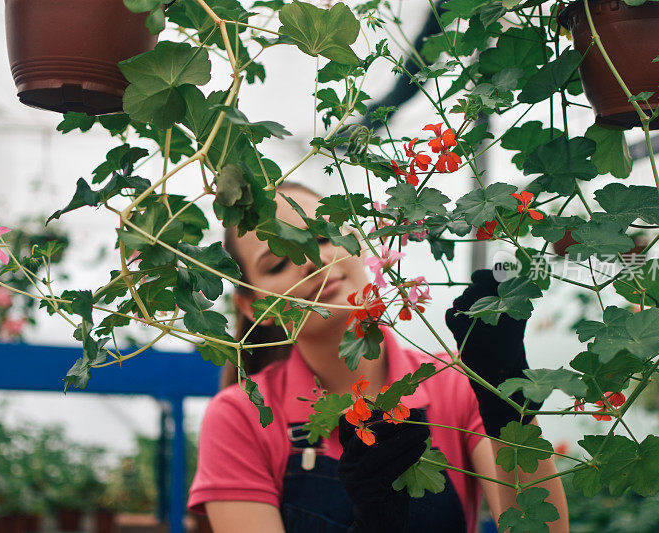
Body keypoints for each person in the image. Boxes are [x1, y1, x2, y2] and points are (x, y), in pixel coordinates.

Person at [187, 183, 569, 532]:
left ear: (359, 244)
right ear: (255, 307)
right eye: (279, 261)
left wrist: (508, 412)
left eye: (323, 236)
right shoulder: (242, 416)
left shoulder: (455, 379)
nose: (312, 260)